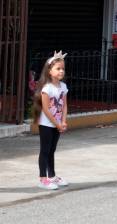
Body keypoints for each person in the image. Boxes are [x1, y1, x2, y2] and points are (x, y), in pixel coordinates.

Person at [32, 51, 69, 190]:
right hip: (47, 124)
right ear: (49, 70)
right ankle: (43, 179)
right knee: (45, 150)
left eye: (63, 68)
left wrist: (63, 121)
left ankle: (52, 176)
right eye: (58, 68)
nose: (61, 71)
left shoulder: (63, 87)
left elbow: (64, 105)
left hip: (58, 124)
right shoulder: (47, 88)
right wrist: (57, 124)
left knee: (52, 150)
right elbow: (46, 110)